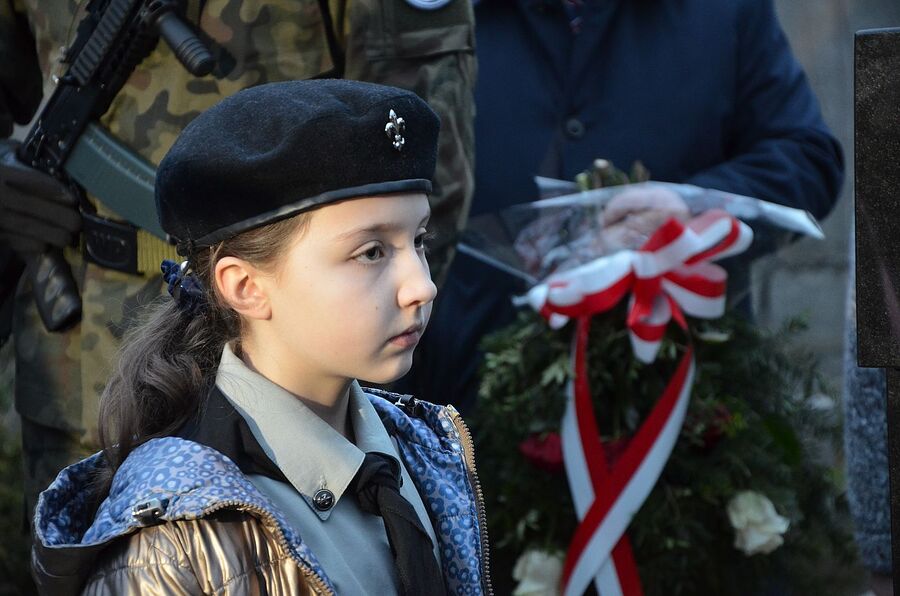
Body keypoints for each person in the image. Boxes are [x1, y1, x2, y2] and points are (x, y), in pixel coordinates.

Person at [0, 0, 475, 518]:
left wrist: (343, 372)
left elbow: (412, 158)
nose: (418, 285)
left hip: (296, 378)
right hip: (73, 356)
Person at [31, 79, 490, 595]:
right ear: (246, 287)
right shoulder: (172, 548)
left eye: (419, 239)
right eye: (371, 252)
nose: (422, 286)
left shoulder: (421, 452)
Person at [396, 0, 844, 412]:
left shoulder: (724, 10)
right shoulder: (434, 11)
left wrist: (690, 208)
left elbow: (808, 156)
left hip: (675, 412)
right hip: (464, 393)